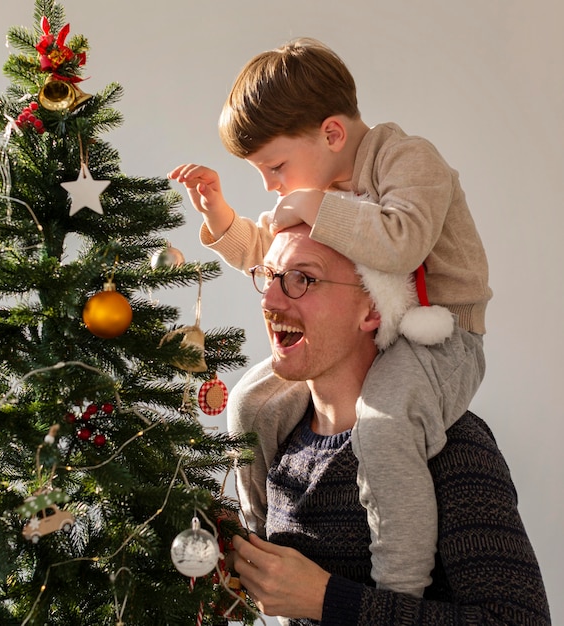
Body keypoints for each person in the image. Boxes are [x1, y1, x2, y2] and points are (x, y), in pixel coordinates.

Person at [169, 38, 492, 597]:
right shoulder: (316, 191)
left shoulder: (408, 161)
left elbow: (401, 240)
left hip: (438, 337)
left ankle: (397, 589)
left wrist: (313, 207)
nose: (271, 185)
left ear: (333, 134)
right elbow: (270, 251)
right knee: (249, 401)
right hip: (371, 332)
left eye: (275, 166)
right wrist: (222, 217)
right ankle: (252, 544)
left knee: (384, 428)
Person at [229, 223, 550, 625]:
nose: (271, 300)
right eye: (269, 276)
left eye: (303, 279)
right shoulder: (281, 438)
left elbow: (518, 620)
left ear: (373, 310)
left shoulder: (451, 444)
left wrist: (328, 600)